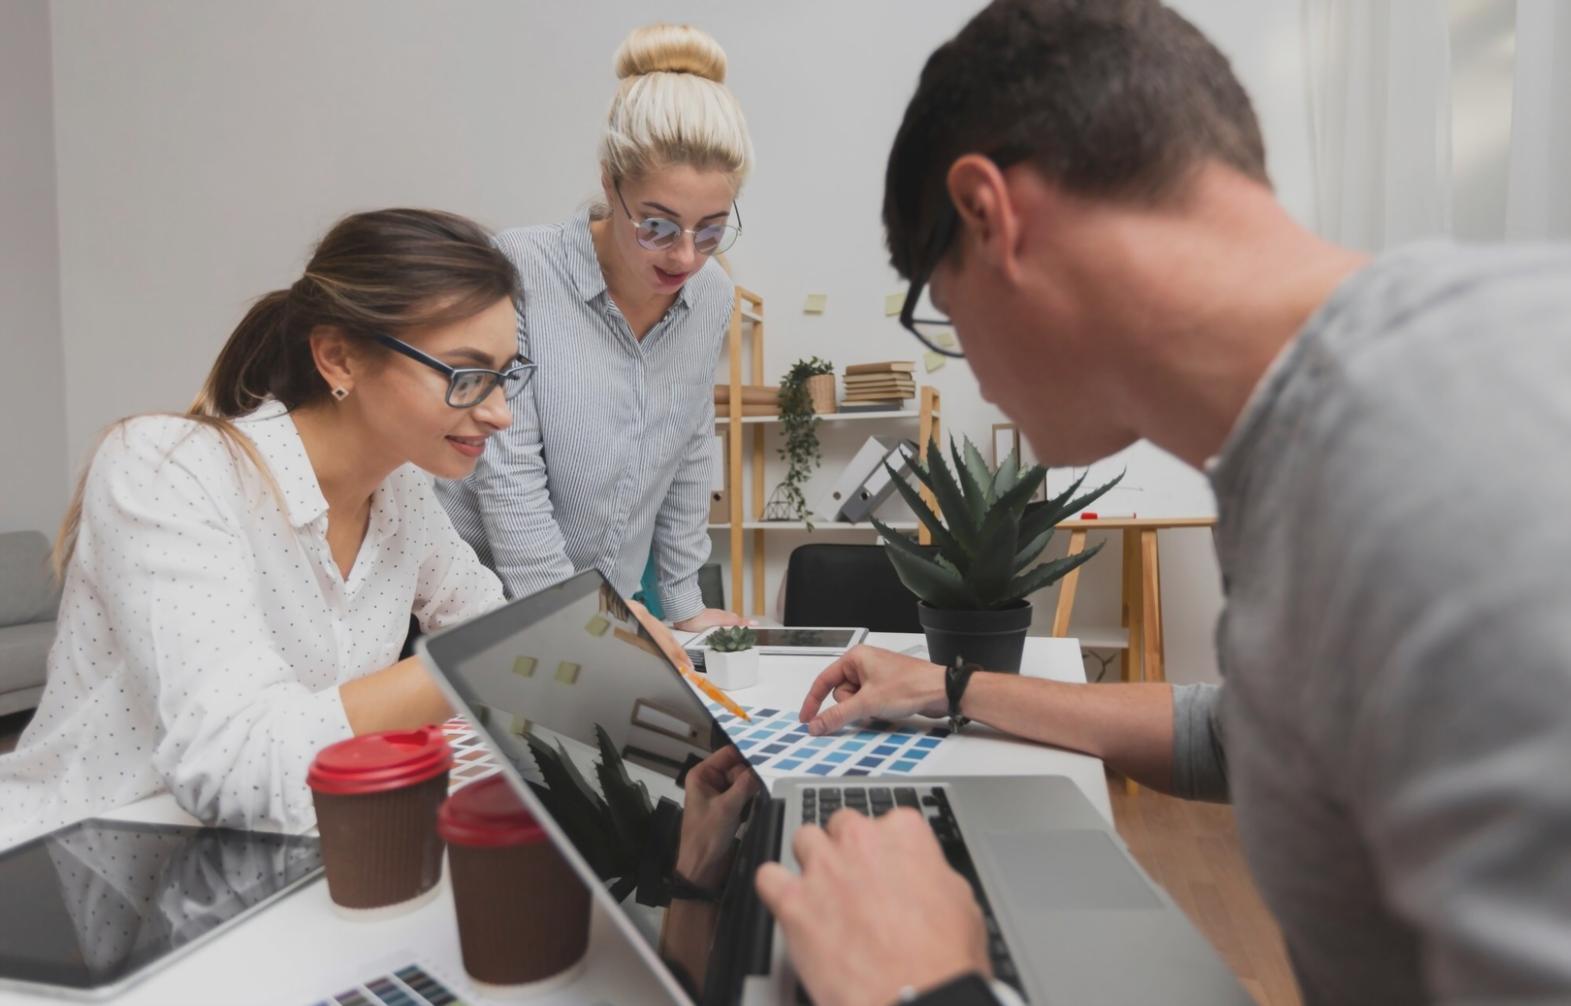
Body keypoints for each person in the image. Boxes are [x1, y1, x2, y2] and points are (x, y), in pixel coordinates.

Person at [755, 1, 1571, 1004]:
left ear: (989, 216)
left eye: (937, 304)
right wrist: (947, 688)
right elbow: (1239, 734)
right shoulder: (1359, 415)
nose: (959, 354)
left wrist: (927, 989)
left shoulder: (1436, 477)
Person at [0, 209, 529, 847]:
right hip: (78, 867)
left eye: (504, 377)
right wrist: (487, 663)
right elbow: (239, 767)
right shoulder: (167, 468)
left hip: (269, 858)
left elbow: (494, 628)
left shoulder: (403, 496)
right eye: (466, 376)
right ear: (338, 358)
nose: (499, 412)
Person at [438, 23, 753, 632]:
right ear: (612, 183)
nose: (684, 257)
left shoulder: (712, 296)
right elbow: (508, 470)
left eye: (711, 230)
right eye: (658, 226)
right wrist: (580, 621)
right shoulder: (524, 268)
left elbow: (690, 449)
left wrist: (685, 605)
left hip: (610, 608)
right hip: (483, 604)